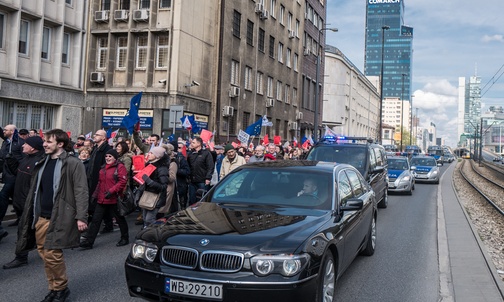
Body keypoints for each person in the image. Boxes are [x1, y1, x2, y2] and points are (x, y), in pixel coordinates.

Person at [16, 129, 88, 302]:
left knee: (52, 254)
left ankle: (61, 289)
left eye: (48, 142)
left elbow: (81, 191)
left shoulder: (72, 163)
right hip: (41, 217)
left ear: (60, 144)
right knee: (44, 253)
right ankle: (55, 288)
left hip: (60, 216)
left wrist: (81, 217)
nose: (44, 144)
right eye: (44, 141)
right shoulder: (43, 161)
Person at [3, 136, 45, 269]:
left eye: (26, 144)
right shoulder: (27, 158)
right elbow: (18, 173)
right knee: (30, 230)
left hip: (28, 204)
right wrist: (11, 162)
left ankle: (21, 257)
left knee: (24, 230)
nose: (22, 146)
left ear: (32, 147)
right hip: (19, 202)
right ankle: (42, 248)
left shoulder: (39, 162)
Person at [79, 149, 129, 249]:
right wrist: (94, 195)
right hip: (102, 198)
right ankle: (89, 242)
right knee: (95, 220)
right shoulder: (103, 168)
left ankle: (125, 238)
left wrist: (111, 191)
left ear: (115, 157)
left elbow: (122, 182)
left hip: (114, 199)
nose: (107, 158)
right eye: (106, 156)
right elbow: (100, 183)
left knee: (120, 219)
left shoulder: (120, 167)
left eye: (110, 156)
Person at [0, 124, 25, 241]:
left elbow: (25, 160)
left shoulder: (20, 143)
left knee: (3, 195)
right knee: (15, 200)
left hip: (15, 176)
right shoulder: (6, 142)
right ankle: (21, 218)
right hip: (6, 174)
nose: (4, 131)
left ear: (12, 131)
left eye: (6, 129)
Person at [86, 129, 112, 232]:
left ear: (103, 138)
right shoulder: (95, 148)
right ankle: (106, 224)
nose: (94, 136)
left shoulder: (106, 149)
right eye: (95, 134)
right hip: (92, 179)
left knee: (101, 204)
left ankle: (95, 228)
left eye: (97, 135)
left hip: (100, 180)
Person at [140, 147, 169, 228]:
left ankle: (156, 235)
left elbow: (164, 186)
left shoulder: (162, 168)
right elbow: (143, 183)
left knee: (150, 219)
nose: (149, 154)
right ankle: (146, 236)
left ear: (158, 156)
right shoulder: (149, 165)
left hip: (156, 197)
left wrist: (149, 181)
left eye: (152, 153)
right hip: (147, 196)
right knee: (145, 219)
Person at [187, 137, 214, 204]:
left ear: (199, 144)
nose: (191, 144)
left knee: (201, 200)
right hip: (192, 181)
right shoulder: (191, 154)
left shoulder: (206, 154)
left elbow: (210, 166)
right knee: (192, 200)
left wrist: (208, 178)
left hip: (202, 181)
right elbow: (188, 166)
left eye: (193, 142)